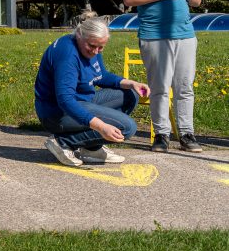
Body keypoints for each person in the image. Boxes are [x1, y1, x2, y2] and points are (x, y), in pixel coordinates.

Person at [123, 0, 203, 153]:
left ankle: (187, 134)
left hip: (185, 35)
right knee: (159, 88)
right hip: (155, 36)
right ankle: (161, 135)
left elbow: (196, 1)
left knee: (184, 87)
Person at [34, 18, 150, 167]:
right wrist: (101, 126)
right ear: (79, 35)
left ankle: (91, 149)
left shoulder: (90, 46)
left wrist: (132, 83)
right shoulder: (67, 56)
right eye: (92, 46)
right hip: (57, 113)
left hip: (81, 101)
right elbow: (65, 100)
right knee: (127, 127)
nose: (95, 51)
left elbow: (100, 76)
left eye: (101, 47)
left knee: (130, 94)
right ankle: (62, 142)